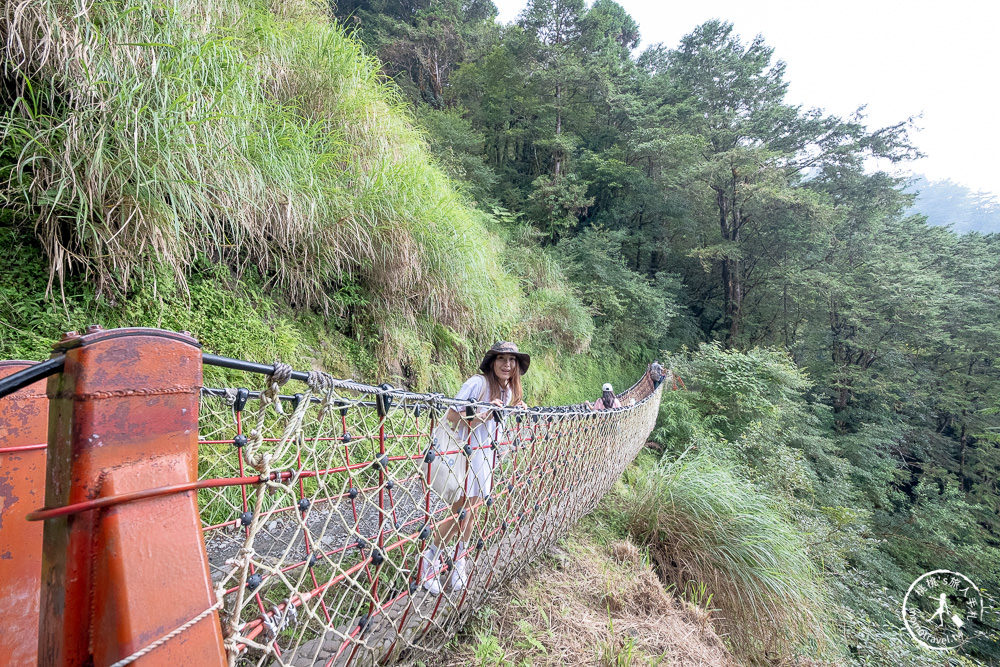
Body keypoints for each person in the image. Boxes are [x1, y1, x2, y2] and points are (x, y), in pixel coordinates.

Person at [420, 341, 529, 594]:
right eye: (501, 358)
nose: (507, 364)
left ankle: (459, 562)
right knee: (459, 512)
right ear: (492, 362)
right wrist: (482, 415)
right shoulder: (478, 384)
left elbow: (497, 421)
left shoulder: (507, 391)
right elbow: (451, 415)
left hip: (485, 459)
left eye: (512, 360)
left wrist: (514, 409)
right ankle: (428, 563)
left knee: (472, 513)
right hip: (466, 456)